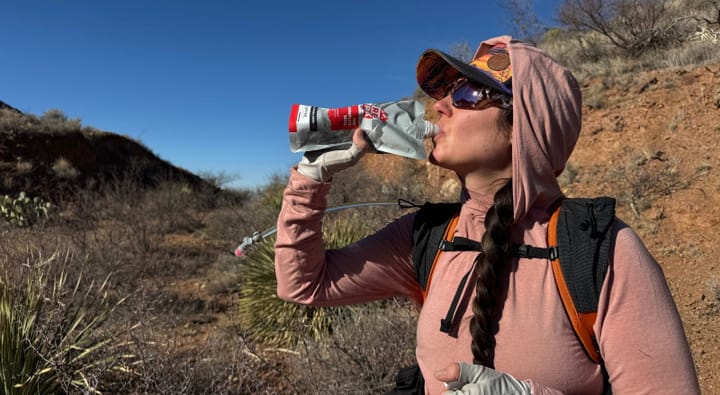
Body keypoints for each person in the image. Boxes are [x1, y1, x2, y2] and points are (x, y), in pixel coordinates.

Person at [273, 36, 700, 394]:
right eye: (444, 93)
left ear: (525, 127)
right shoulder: (427, 236)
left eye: (467, 94)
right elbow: (304, 284)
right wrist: (312, 177)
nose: (440, 106)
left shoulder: (599, 251)